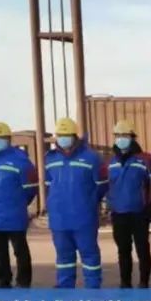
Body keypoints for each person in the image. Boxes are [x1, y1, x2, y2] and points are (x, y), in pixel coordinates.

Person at [44, 117, 107, 289]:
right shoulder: (50, 159)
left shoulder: (91, 157)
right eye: (60, 135)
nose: (63, 138)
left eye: (66, 135)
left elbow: (101, 185)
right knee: (64, 257)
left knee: (89, 255)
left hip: (84, 218)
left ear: (74, 136)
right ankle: (65, 288)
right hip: (59, 219)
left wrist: (89, 202)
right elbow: (49, 186)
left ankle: (92, 289)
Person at [0, 121, 38, 288]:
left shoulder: (21, 161)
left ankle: (23, 281)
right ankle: (3, 280)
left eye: (2, 137)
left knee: (20, 250)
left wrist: (20, 203)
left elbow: (31, 188)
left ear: (9, 139)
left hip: (14, 214)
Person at [106, 119, 151, 289]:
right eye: (118, 135)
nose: (121, 139)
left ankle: (144, 282)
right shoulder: (111, 162)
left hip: (139, 213)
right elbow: (107, 186)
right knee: (123, 250)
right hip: (119, 214)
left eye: (125, 135)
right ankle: (125, 283)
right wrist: (110, 206)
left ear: (132, 137)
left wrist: (149, 208)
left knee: (142, 249)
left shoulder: (145, 160)